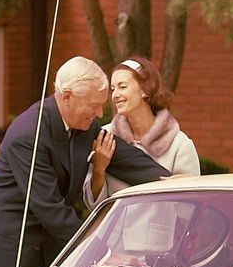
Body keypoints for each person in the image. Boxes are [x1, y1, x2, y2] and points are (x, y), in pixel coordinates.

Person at [0, 56, 171, 267]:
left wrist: (169, 180)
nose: (99, 113)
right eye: (93, 105)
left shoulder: (83, 125)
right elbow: (50, 209)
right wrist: (103, 254)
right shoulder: (28, 134)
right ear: (67, 96)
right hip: (2, 261)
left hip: (45, 256)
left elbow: (124, 157)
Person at [84, 56, 200, 208]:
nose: (115, 95)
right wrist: (99, 170)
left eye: (122, 87)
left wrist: (182, 189)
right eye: (113, 89)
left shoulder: (179, 145)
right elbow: (93, 205)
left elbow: (191, 209)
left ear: (145, 89)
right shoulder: (104, 137)